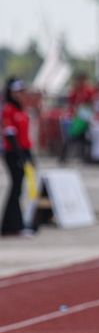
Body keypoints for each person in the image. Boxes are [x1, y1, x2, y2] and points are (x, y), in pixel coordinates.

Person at [2, 78, 34, 236]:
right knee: (15, 187)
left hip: (24, 151)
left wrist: (28, 155)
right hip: (13, 153)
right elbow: (9, 133)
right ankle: (12, 225)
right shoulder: (8, 109)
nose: (22, 94)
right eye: (18, 92)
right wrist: (19, 154)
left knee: (20, 188)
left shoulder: (21, 110)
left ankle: (15, 223)